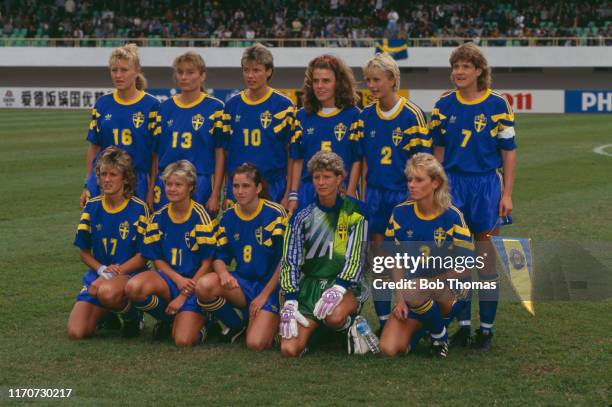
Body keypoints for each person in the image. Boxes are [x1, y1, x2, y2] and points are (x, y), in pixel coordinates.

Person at [430, 43, 516, 350]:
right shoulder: (443, 106)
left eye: (465, 66)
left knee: (485, 261)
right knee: (458, 261)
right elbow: (437, 154)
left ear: (479, 70)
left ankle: (486, 329)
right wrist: (434, 191)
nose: (459, 72)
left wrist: (506, 194)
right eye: (455, 67)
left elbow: (509, 153)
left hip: (485, 187)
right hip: (453, 187)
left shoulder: (498, 105)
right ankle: (464, 326)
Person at [361, 53, 432, 331]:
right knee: (379, 258)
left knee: (406, 258)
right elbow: (365, 160)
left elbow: (423, 163)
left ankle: (417, 318)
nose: (372, 85)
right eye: (368, 80)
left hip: (404, 196)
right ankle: (382, 320)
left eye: (377, 80)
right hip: (376, 196)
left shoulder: (412, 115)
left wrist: (416, 199)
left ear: (392, 80)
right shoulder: (366, 116)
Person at [379, 153, 474, 358]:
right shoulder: (399, 213)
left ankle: (439, 337)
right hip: (415, 294)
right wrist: (401, 299)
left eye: (419, 180)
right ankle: (429, 327)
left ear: (435, 183)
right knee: (389, 348)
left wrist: (429, 284)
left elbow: (466, 267)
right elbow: (393, 260)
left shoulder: (452, 216)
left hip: (451, 292)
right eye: (410, 179)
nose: (412, 185)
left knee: (416, 288)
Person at [279, 151, 370, 357]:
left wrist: (340, 287)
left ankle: (349, 325)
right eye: (317, 177)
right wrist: (290, 299)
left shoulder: (355, 211)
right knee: (289, 349)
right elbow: (289, 260)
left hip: (345, 286)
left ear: (339, 179)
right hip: (311, 286)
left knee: (334, 316)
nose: (321, 182)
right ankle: (323, 334)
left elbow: (356, 256)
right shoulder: (302, 216)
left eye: (327, 177)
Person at [195, 163, 288, 349]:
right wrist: (223, 274)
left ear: (258, 188)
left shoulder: (275, 213)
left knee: (255, 343)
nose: (240, 191)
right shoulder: (228, 216)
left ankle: (274, 322)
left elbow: (285, 262)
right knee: (204, 286)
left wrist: (263, 296)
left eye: (246, 186)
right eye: (236, 186)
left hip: (271, 287)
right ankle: (236, 325)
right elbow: (220, 257)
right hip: (243, 284)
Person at [125, 160, 217, 346]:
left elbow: (208, 264)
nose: (172, 189)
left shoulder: (201, 216)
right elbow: (156, 259)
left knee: (183, 340)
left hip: (195, 283)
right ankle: (167, 319)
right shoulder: (158, 217)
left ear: (190, 187)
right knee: (133, 288)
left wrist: (184, 294)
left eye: (178, 184)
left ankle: (207, 323)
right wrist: (177, 279)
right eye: (168, 184)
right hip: (170, 279)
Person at [68, 146, 149, 340]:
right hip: (100, 274)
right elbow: (84, 252)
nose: (107, 179)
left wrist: (114, 273)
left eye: (113, 174)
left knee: (106, 291)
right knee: (76, 332)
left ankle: (132, 317)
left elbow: (143, 256)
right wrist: (102, 270)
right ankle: (109, 312)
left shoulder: (139, 209)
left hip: (128, 273)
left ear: (125, 177)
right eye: (103, 174)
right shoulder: (92, 206)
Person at [80, 43, 160, 209]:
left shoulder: (152, 105)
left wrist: (152, 190)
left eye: (124, 70)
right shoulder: (102, 104)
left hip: (139, 183)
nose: (118, 75)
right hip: (106, 181)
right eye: (114, 70)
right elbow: (94, 147)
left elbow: (155, 155)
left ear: (137, 71)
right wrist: (88, 184)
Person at [223, 43, 298, 207]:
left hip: (273, 187)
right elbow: (224, 151)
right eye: (246, 70)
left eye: (256, 70)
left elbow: (292, 154)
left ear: (269, 71)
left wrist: (288, 194)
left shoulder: (283, 106)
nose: (250, 75)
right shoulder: (231, 106)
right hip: (238, 189)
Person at [153, 51, 225, 214]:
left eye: (190, 72)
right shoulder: (164, 108)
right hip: (167, 181)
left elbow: (220, 153)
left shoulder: (215, 108)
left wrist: (216, 193)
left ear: (202, 75)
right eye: (180, 72)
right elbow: (156, 154)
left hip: (200, 182)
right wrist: (152, 189)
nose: (184, 77)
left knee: (199, 235)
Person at [289, 54, 362, 213]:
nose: (319, 86)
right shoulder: (302, 116)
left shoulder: (354, 115)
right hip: (308, 191)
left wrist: (350, 193)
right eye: (316, 81)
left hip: (341, 191)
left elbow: (357, 160)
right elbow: (297, 159)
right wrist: (293, 195)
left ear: (338, 83)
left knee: (340, 238)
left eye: (326, 81)